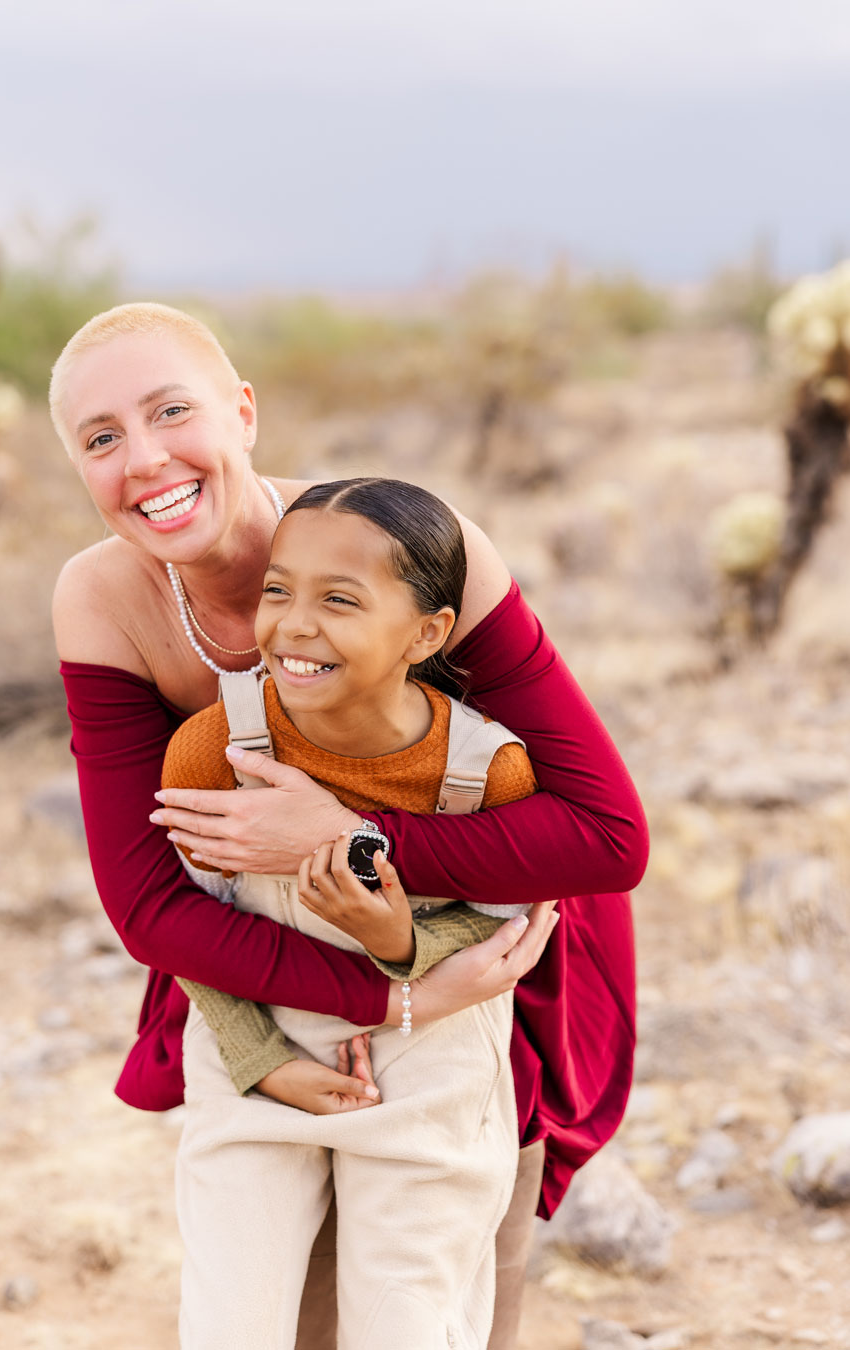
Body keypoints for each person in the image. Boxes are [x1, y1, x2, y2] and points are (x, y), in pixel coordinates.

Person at [50, 302, 648, 1349]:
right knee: (279, 1299)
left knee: (438, 1286)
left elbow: (608, 835)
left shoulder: (401, 546)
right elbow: (146, 900)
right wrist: (371, 998)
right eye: (102, 439)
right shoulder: (104, 600)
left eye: (170, 412)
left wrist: (349, 844)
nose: (144, 461)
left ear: (242, 411)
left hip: (487, 921)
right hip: (255, 959)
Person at [165, 477, 547, 1346]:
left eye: (339, 599)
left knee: (409, 1321)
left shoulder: (486, 772)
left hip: (435, 1054)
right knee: (232, 1323)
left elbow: (509, 928)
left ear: (429, 633)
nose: (295, 624)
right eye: (277, 591)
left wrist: (400, 936)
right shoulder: (215, 749)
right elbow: (187, 923)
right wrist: (259, 1055)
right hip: (250, 1043)